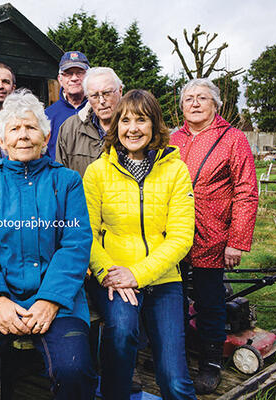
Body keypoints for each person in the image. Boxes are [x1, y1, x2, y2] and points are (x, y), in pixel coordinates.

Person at [0, 89, 96, 400]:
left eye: (30, 127)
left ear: (45, 136)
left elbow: (76, 244)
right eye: (14, 129)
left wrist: (51, 300)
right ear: (1, 141)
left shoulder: (67, 181)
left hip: (58, 296)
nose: (23, 136)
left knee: (74, 369)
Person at [83, 89, 197, 400]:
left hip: (162, 279)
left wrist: (139, 274)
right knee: (121, 336)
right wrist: (107, 271)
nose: (133, 128)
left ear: (154, 125)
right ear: (116, 126)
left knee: (174, 379)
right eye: (126, 120)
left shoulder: (175, 170)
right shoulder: (97, 172)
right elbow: (86, 233)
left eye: (142, 120)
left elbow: (181, 236)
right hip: (114, 279)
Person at [170, 78, 258, 394]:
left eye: (202, 98)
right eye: (188, 98)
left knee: (209, 300)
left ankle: (210, 364)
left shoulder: (232, 139)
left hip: (213, 233)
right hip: (173, 232)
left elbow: (247, 190)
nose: (194, 103)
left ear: (215, 104)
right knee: (172, 300)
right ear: (181, 105)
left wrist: (236, 239)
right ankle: (174, 359)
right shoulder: (171, 139)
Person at [56, 67, 123, 176]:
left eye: (107, 93)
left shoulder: (134, 128)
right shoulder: (69, 128)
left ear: (120, 91)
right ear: (87, 97)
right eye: (94, 96)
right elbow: (61, 177)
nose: (101, 101)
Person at [45, 51, 90, 159]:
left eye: (79, 72)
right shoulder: (47, 115)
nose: (74, 78)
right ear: (60, 79)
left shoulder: (99, 110)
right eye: (68, 73)